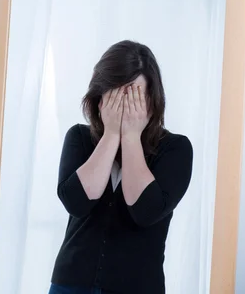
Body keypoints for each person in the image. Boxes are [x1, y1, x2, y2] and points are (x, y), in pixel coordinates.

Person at [48, 40, 193, 294]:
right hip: (71, 284)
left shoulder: (176, 149)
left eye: (135, 95)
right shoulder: (80, 139)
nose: (125, 105)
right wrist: (111, 134)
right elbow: (77, 202)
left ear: (151, 100)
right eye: (116, 95)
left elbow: (145, 211)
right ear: (100, 98)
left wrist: (131, 138)